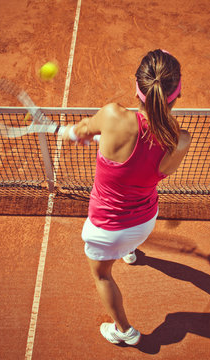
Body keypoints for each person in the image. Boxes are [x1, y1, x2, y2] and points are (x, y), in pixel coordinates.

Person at [63, 49, 191, 345]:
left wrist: (73, 133)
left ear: (138, 89)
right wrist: (106, 140)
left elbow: (80, 131)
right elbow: (146, 162)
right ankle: (129, 251)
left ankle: (125, 332)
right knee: (129, 243)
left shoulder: (112, 117)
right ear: (177, 94)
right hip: (144, 222)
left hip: (107, 230)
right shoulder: (181, 140)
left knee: (102, 275)